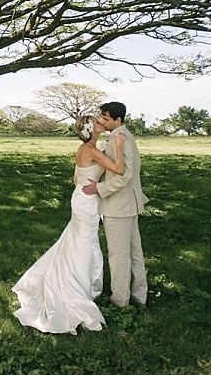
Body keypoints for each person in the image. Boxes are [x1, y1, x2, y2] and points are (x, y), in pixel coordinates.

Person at [12, 115, 126, 334]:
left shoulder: (87, 149)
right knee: (83, 243)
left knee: (79, 241)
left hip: (83, 198)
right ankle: (76, 288)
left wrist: (89, 181)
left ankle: (82, 282)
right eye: (98, 121)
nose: (102, 123)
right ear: (92, 129)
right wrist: (119, 147)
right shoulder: (89, 150)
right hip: (87, 203)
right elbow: (119, 169)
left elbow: (76, 179)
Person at [82, 101, 149, 308]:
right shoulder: (123, 135)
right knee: (134, 252)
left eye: (106, 119)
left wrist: (100, 189)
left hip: (119, 206)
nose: (103, 121)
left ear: (118, 120)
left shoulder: (119, 138)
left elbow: (124, 175)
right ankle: (139, 296)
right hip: (128, 204)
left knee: (119, 256)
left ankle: (120, 301)